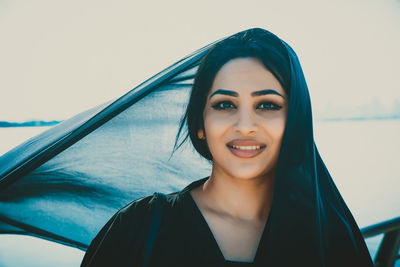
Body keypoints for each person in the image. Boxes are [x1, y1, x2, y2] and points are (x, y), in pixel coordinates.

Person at [80, 28, 373, 267]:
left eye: (267, 105)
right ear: (200, 124)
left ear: (295, 120)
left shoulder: (329, 238)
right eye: (225, 105)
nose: (245, 125)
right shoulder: (138, 230)